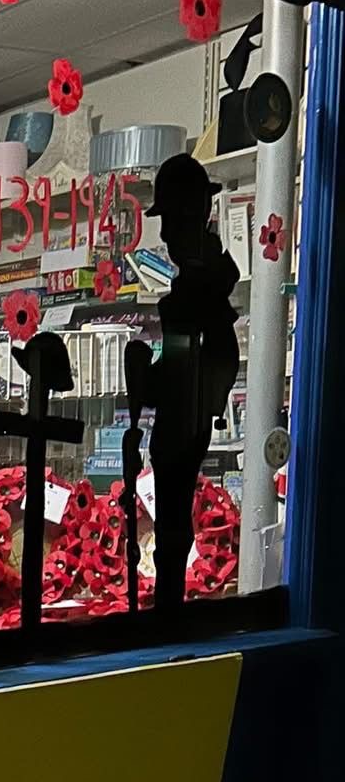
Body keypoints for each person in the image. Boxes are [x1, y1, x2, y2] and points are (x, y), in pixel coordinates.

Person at [123, 153, 240, 612]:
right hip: (182, 413)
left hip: (184, 419)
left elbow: (199, 361)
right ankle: (167, 600)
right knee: (171, 515)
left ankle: (168, 604)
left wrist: (150, 382)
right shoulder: (199, 286)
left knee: (172, 519)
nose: (165, 233)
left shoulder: (200, 290)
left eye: (169, 219)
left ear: (189, 216)